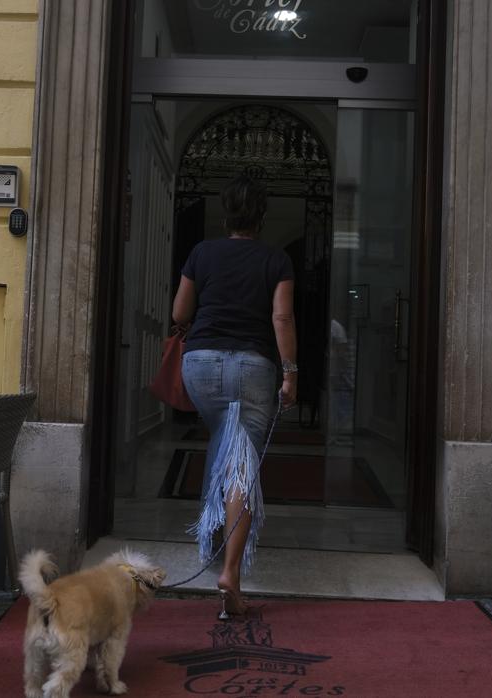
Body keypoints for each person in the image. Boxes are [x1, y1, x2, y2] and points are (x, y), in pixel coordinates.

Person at [171, 175, 298, 620]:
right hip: (253, 368)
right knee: (242, 467)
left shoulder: (201, 253)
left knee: (228, 453)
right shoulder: (276, 260)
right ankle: (230, 575)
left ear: (225, 216)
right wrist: (291, 373)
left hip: (200, 365)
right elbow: (281, 317)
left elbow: (179, 313)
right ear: (261, 218)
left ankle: (216, 549)